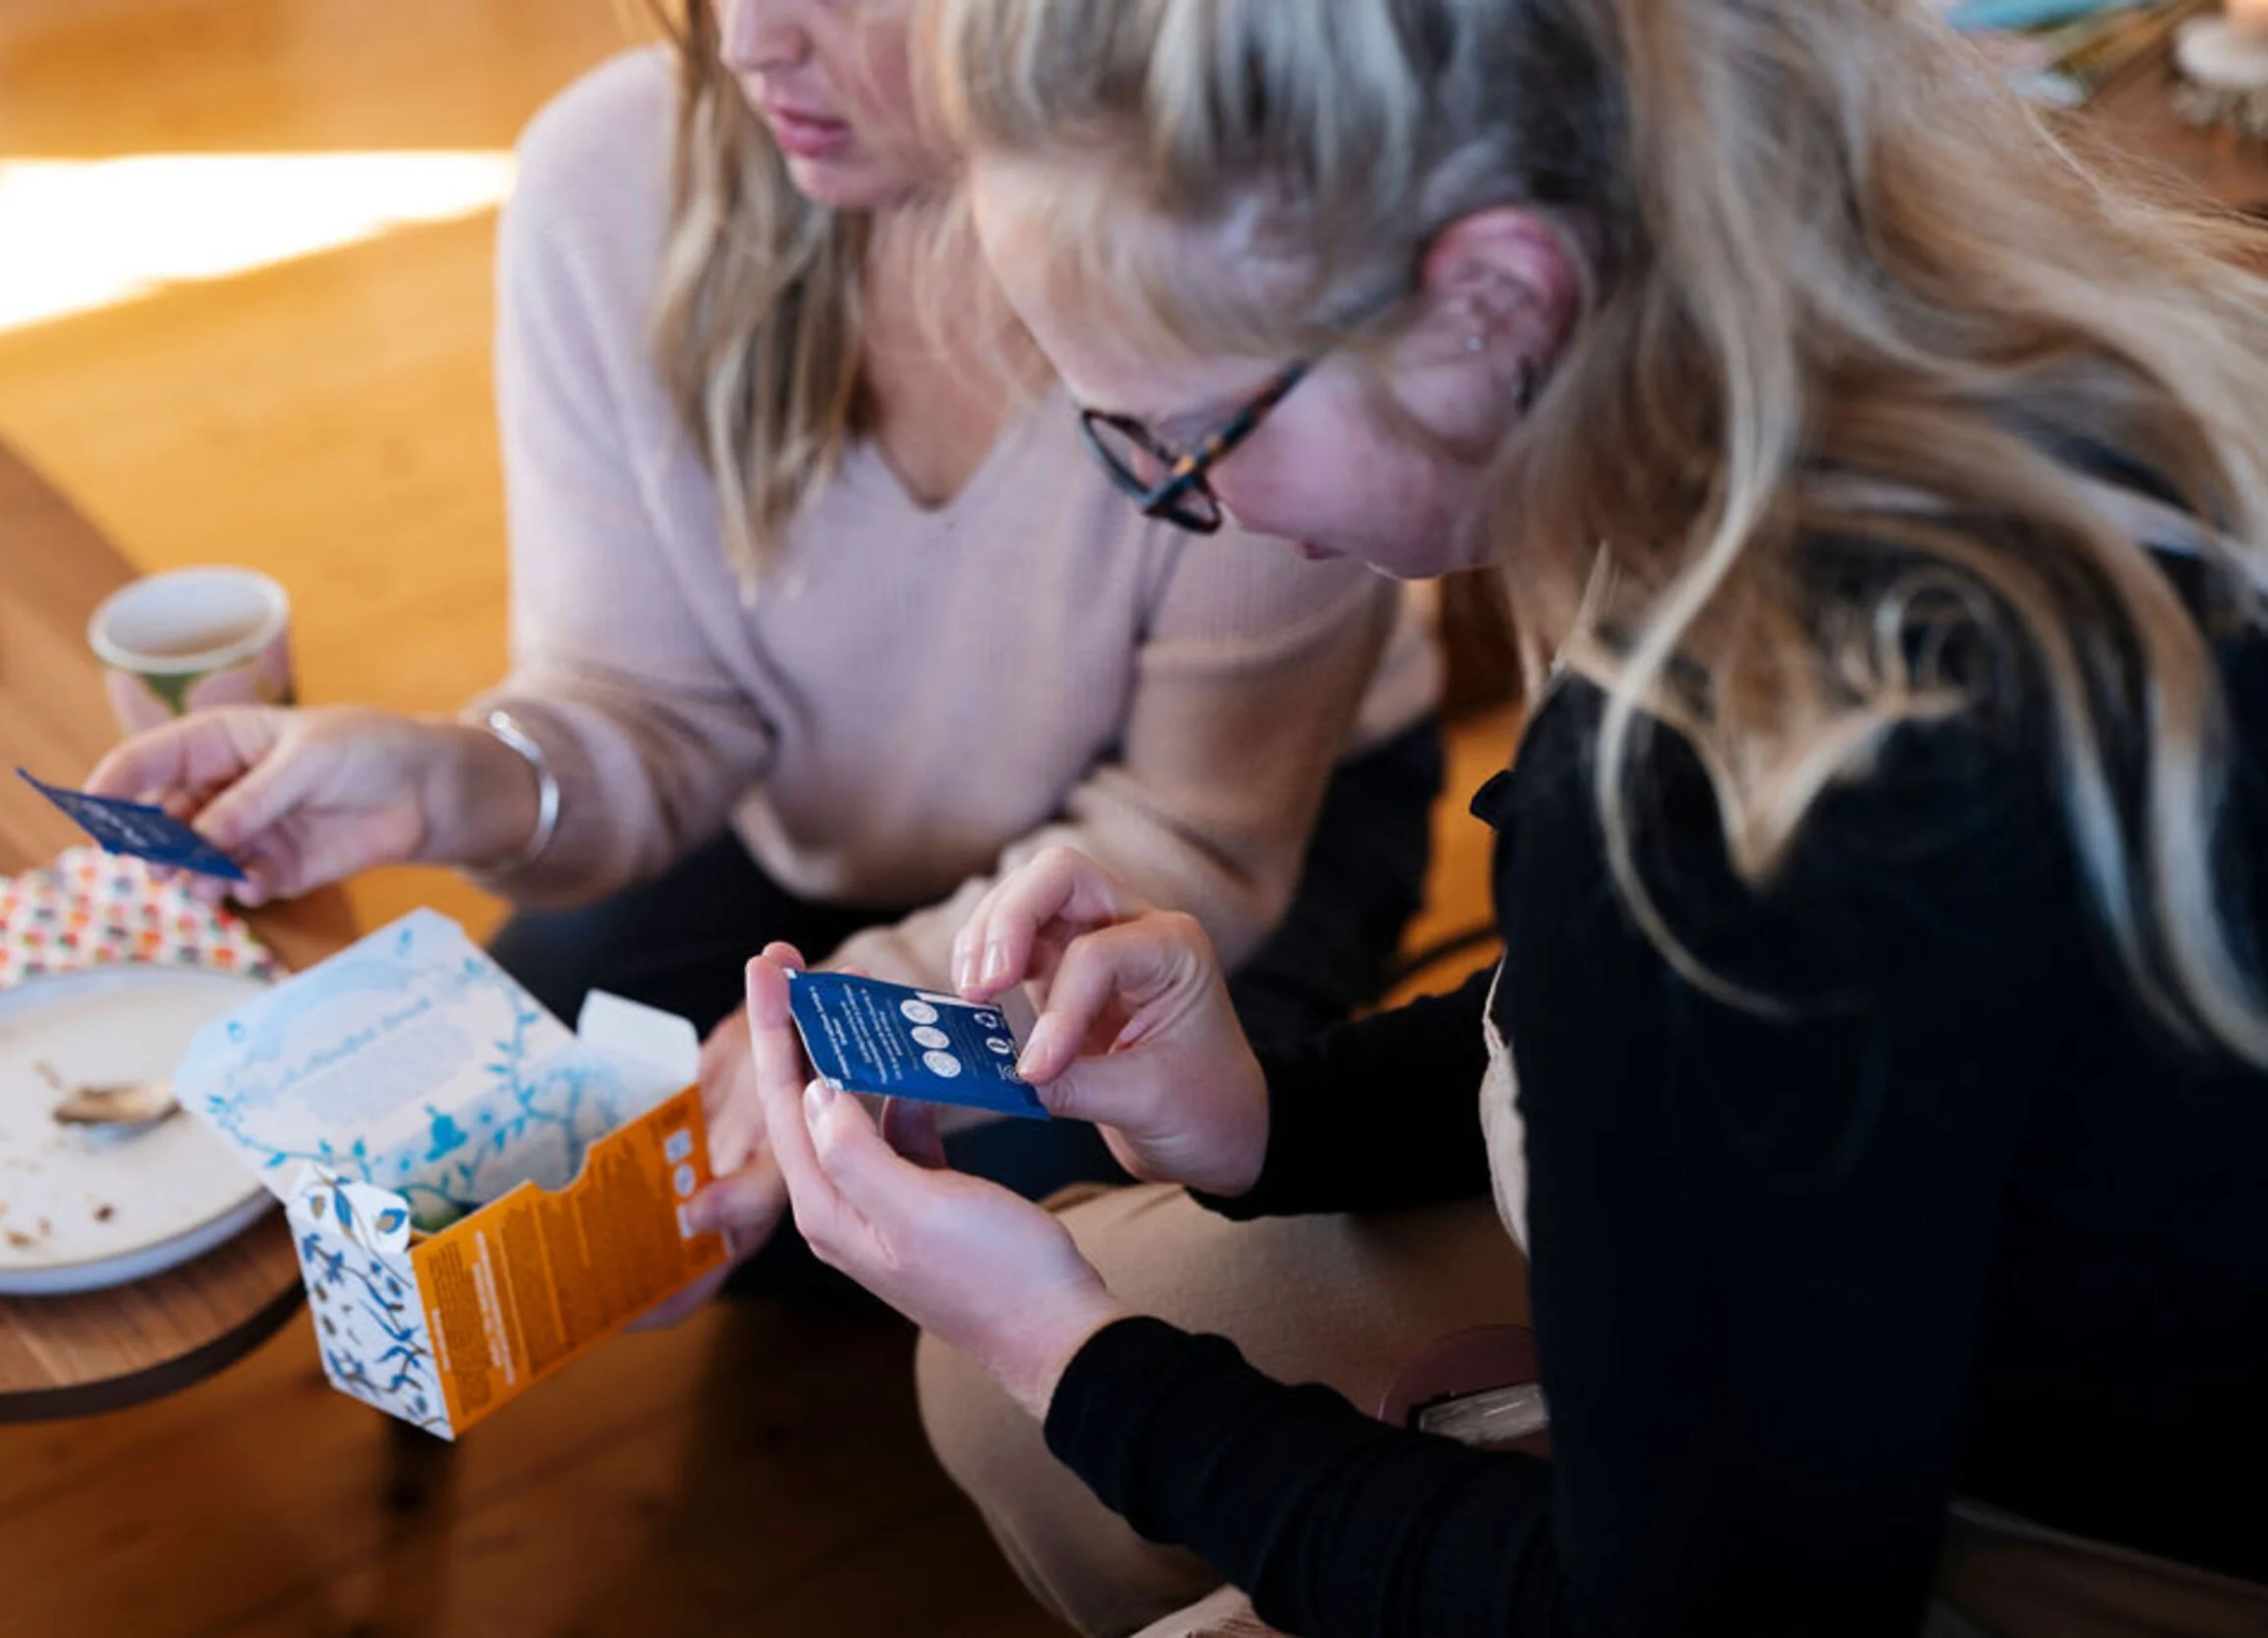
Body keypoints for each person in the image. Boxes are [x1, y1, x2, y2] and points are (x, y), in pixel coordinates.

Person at [739, 0, 2268, 1631]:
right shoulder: (1791, 371)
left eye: (1194, 437)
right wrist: (1270, 1115)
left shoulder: (1724, 793)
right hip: (1968, 1320)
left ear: (1493, 297)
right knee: (1000, 1388)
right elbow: (1683, 1065)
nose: (1204, 510)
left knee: (1039, 1383)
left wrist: (1079, 1363)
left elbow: (1693, 1606)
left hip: (2113, 1517)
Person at [86, 0, 1446, 1299]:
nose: (745, 42)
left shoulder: (1224, 231)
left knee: (1005, 1226)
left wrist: (883, 1013)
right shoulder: (607, 181)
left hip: (1231, 854)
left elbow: (1198, 843)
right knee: (538, 1138)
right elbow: (655, 710)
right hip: (816, 803)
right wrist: (455, 778)